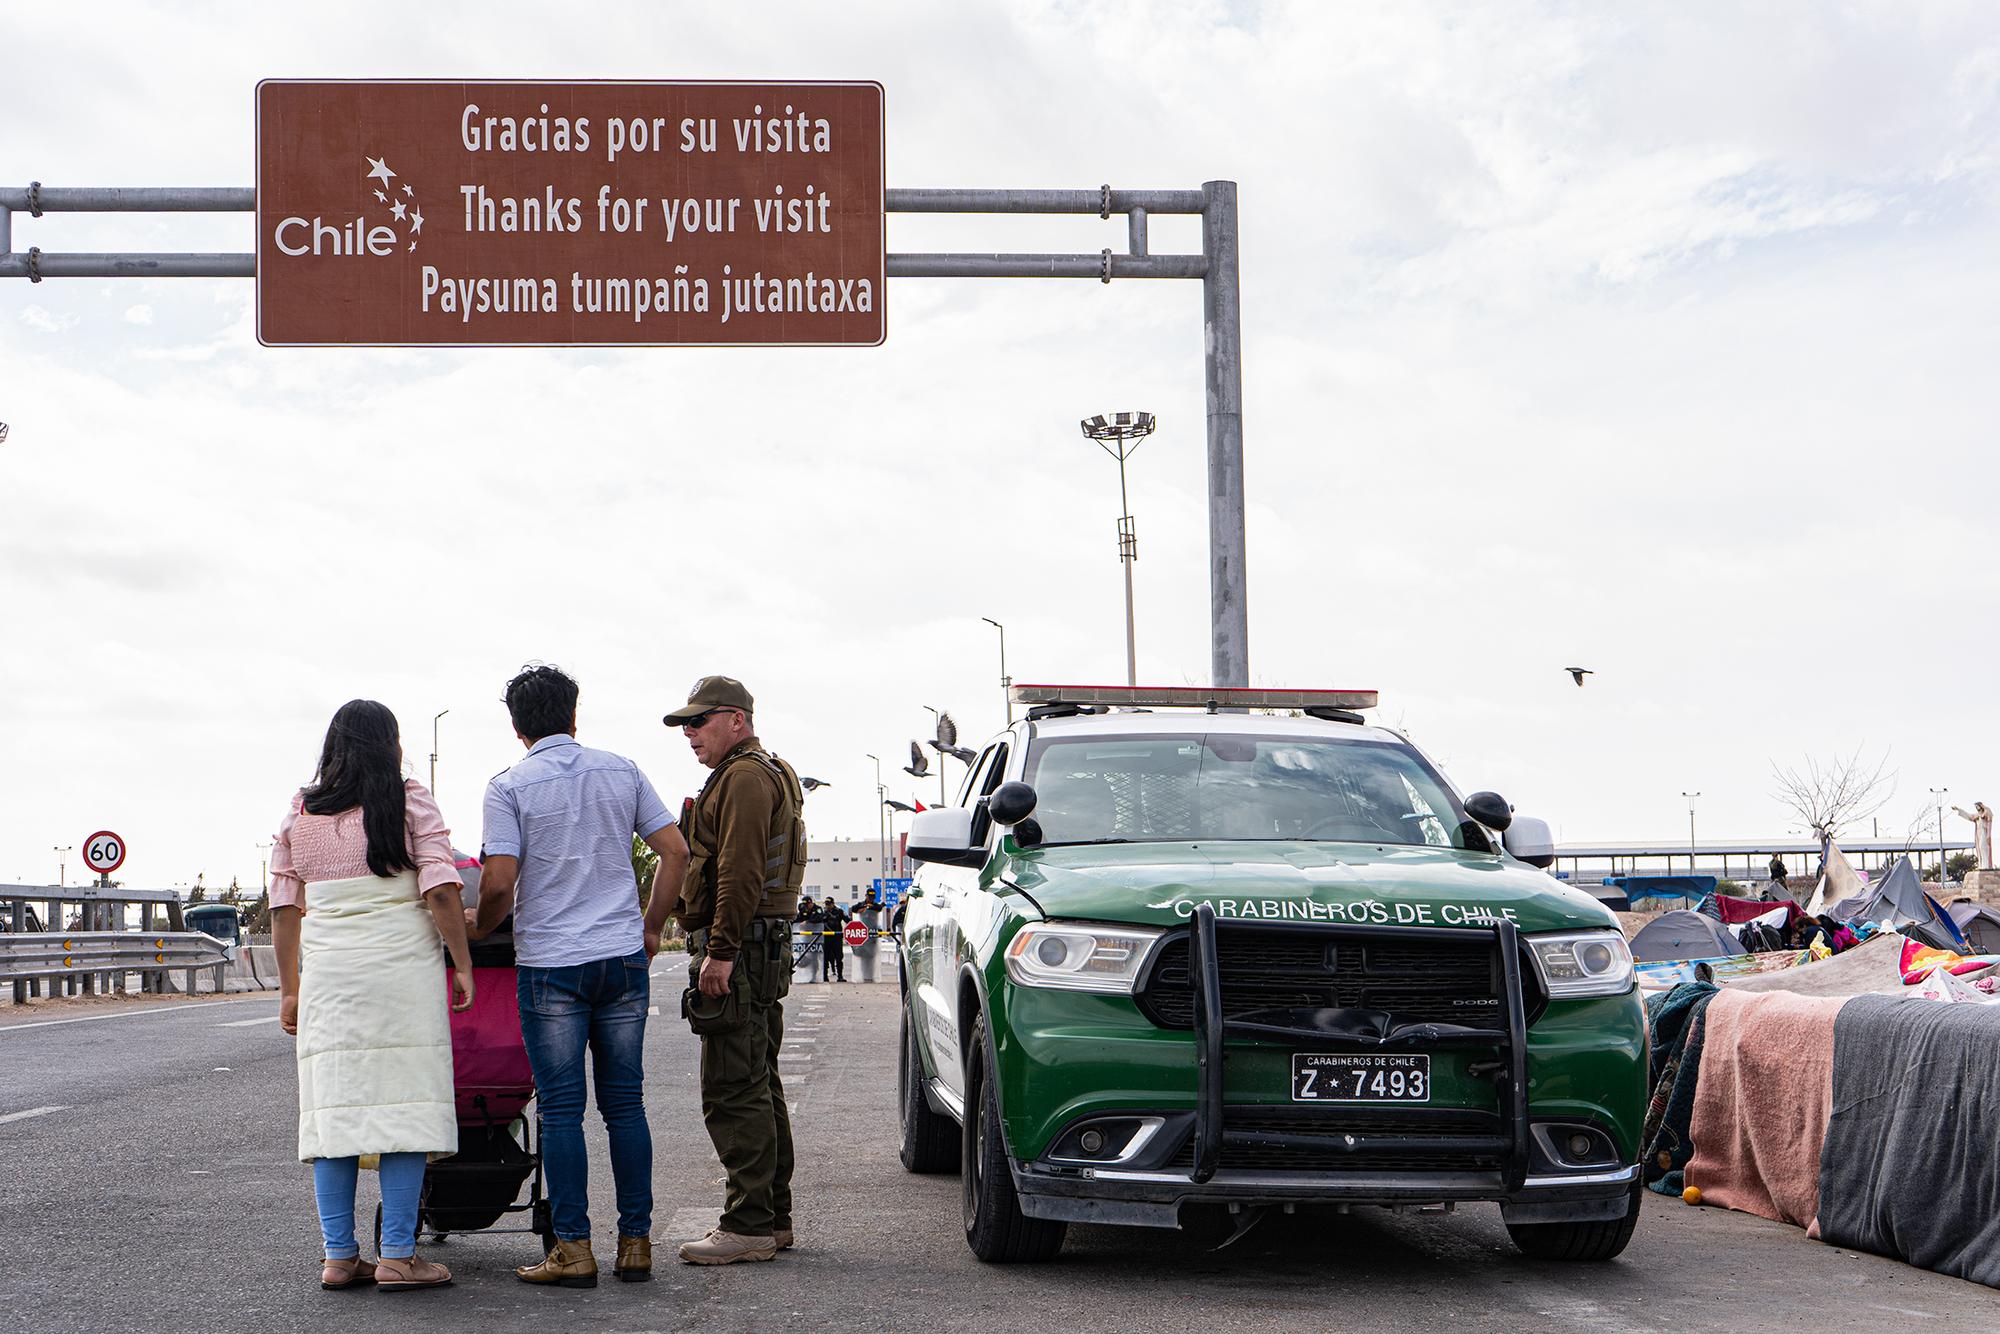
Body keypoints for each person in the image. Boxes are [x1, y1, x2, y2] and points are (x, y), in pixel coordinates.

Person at [469, 665, 690, 1288]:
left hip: (550, 964)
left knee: (563, 1110)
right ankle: (637, 1242)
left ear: (517, 727)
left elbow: (500, 879)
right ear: (574, 714)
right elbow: (675, 850)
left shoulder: (508, 786)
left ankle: (573, 1248)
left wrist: (482, 927)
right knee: (626, 1104)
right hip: (620, 957)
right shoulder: (622, 770)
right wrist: (651, 928)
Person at [270, 700, 474, 1293]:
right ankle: (399, 1256)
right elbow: (440, 890)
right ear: (392, 743)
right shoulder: (408, 800)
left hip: (331, 981)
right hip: (403, 977)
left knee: (333, 1113)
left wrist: (290, 990)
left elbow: (285, 908)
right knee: (405, 1109)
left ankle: (339, 1255)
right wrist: (461, 964)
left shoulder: (300, 812)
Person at [664, 676, 806, 1264]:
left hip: (742, 948)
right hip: (755, 945)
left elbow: (741, 872)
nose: (690, 734)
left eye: (699, 721)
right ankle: (769, 1218)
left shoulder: (745, 777)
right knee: (756, 1081)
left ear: (737, 721)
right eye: (685, 725)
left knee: (732, 1088)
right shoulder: (753, 772)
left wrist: (720, 952)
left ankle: (747, 1224)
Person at [795, 894, 825, 982]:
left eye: (808, 905)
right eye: (805, 905)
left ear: (811, 903)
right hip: (806, 937)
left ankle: (814, 975)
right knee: (802, 953)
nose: (806, 907)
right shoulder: (803, 908)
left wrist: (807, 921)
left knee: (815, 956)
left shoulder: (817, 909)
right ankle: (804, 973)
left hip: (816, 937)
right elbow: (798, 918)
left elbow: (819, 918)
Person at [821, 896, 847, 981]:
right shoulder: (823, 912)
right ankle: (825, 976)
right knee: (825, 958)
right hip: (826, 938)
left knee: (839, 957)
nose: (828, 906)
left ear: (833, 904)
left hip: (837, 938)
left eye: (829, 904)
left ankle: (840, 976)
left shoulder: (839, 912)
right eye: (826, 904)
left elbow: (848, 920)